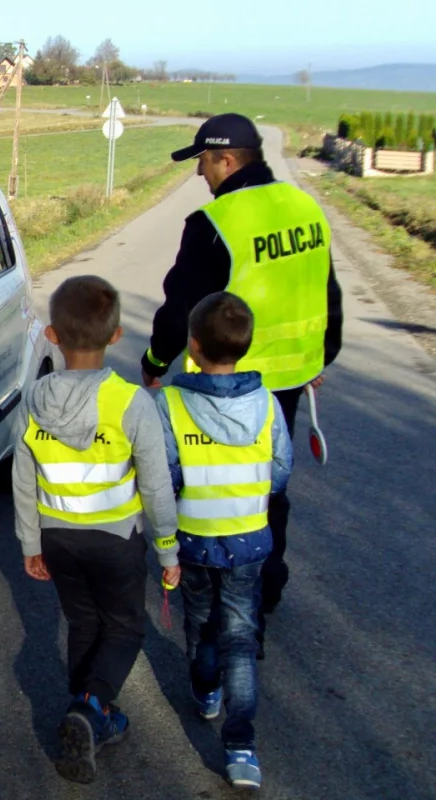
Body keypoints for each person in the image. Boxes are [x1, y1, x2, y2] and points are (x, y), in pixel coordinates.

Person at [140, 113, 343, 642]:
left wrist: (155, 364)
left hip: (229, 380)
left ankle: (212, 579)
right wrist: (322, 358)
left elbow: (180, 308)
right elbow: (328, 291)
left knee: (215, 483)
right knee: (270, 482)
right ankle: (266, 580)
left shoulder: (215, 223)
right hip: (291, 379)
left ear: (227, 161)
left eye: (203, 162)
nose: (199, 174)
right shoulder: (305, 206)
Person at [12, 275, 181, 785]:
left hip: (60, 539)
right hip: (117, 541)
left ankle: (84, 712)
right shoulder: (131, 403)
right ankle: (90, 709)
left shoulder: (33, 399)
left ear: (52, 336)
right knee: (126, 627)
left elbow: (24, 476)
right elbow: (155, 487)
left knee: (84, 622)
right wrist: (169, 550)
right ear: (116, 336)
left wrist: (30, 542)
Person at [155, 291, 293, 791]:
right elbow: (279, 475)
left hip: (193, 540)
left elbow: (164, 475)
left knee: (199, 620)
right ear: (246, 347)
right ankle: (241, 749)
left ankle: (205, 688)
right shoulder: (268, 404)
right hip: (250, 543)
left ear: (192, 346)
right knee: (241, 635)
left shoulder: (170, 402)